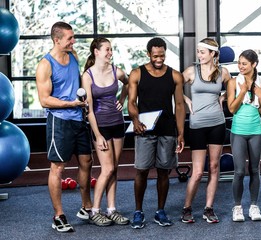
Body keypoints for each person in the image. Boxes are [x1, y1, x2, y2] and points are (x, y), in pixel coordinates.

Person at [35, 21, 93, 233]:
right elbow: (44, 100)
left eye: (73, 37)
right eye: (70, 38)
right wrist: (70, 103)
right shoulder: (45, 65)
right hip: (60, 120)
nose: (73, 41)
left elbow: (77, 83)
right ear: (56, 39)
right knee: (58, 168)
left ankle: (87, 207)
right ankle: (58, 215)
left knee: (87, 161)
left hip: (78, 118)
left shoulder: (74, 56)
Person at [127, 37, 186, 229]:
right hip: (145, 130)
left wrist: (181, 133)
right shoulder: (137, 74)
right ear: (148, 54)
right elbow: (131, 102)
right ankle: (138, 211)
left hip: (167, 130)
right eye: (155, 56)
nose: (159, 59)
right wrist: (135, 120)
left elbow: (179, 105)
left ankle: (160, 211)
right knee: (142, 171)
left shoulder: (175, 76)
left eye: (162, 55)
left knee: (163, 172)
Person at [181, 38, 231, 224]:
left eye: (203, 52)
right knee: (197, 171)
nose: (199, 55)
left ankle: (209, 208)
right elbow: (173, 86)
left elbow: (233, 87)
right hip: (197, 125)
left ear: (213, 54)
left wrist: (224, 96)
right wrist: (186, 100)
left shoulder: (223, 73)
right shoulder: (191, 71)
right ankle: (186, 208)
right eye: (198, 51)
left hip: (217, 123)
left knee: (214, 167)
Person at [81, 37, 129, 226]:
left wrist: (123, 100)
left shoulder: (116, 71)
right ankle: (95, 211)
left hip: (118, 123)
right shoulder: (88, 76)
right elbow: (89, 110)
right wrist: (98, 135)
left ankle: (111, 209)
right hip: (100, 126)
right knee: (107, 168)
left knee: (114, 169)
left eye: (111, 49)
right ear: (97, 52)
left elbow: (128, 83)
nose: (110, 52)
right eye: (107, 49)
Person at [227, 50, 261, 222]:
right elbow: (231, 109)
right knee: (239, 171)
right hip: (238, 131)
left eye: (244, 63)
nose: (240, 67)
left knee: (254, 169)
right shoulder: (233, 82)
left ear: (254, 65)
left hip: (256, 131)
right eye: (239, 63)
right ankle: (237, 207)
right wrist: (243, 91)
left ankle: (253, 206)